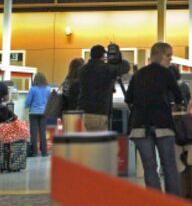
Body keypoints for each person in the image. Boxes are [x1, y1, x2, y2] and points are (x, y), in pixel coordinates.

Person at [125, 42, 182, 196]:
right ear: (160, 55)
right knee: (169, 165)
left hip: (139, 126)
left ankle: (155, 203)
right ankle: (173, 203)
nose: (170, 59)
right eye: (168, 55)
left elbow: (128, 97)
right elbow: (179, 96)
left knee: (149, 167)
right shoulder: (167, 73)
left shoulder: (138, 74)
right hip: (162, 124)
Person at [78, 44, 130, 131]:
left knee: (86, 141)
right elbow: (125, 67)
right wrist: (118, 57)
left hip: (83, 110)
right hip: (100, 112)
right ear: (103, 55)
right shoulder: (107, 69)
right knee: (99, 141)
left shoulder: (82, 70)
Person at [24, 72, 50, 158]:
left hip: (34, 113)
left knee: (34, 133)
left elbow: (27, 102)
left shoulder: (33, 89)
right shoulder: (48, 89)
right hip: (44, 112)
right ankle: (44, 152)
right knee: (43, 132)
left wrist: (26, 105)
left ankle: (34, 152)